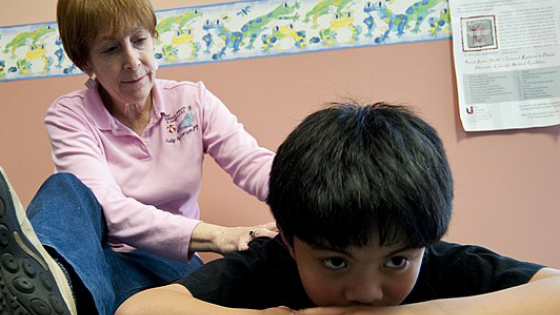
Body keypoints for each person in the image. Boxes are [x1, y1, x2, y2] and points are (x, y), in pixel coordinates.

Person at [114, 102, 560, 315]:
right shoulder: (272, 264)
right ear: (289, 241)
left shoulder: (442, 266)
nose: (366, 291)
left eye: (396, 261)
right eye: (335, 261)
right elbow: (140, 311)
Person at [1, 0, 277, 314]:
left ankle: (63, 292)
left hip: (170, 268)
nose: (132, 61)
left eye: (139, 40)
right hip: (97, 258)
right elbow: (109, 209)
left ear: (153, 37)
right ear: (84, 61)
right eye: (110, 50)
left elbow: (252, 163)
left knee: (99, 280)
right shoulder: (69, 115)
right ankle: (54, 281)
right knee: (64, 189)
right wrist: (218, 235)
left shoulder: (192, 101)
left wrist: (312, 194)